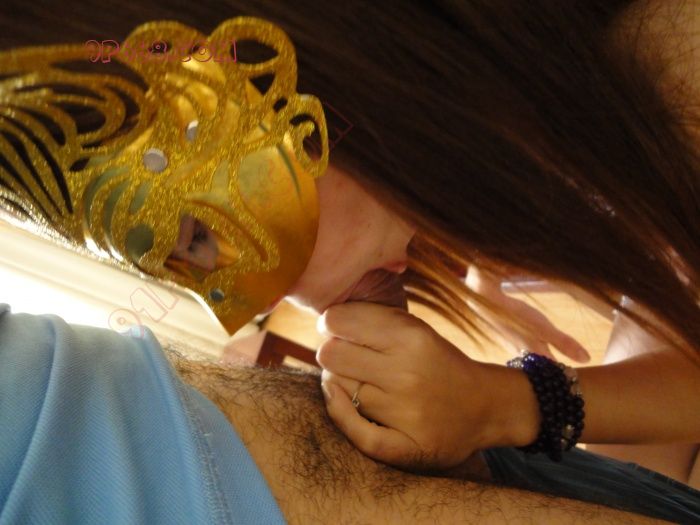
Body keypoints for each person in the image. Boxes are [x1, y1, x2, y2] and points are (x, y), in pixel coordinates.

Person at [0, 0, 699, 522]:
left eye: (198, 234)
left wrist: (512, 404)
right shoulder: (509, 151)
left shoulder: (672, 54)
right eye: (183, 268)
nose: (260, 303)